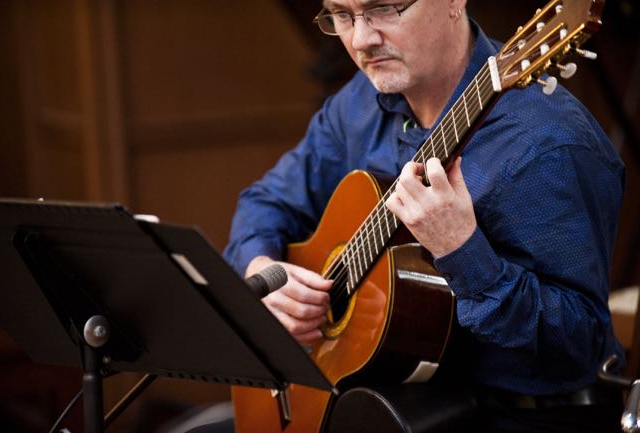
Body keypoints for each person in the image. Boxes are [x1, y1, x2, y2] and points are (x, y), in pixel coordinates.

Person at [223, 0, 626, 432]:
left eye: (384, 8)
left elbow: (578, 349)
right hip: (382, 405)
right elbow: (267, 202)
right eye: (342, 15)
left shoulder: (549, 145)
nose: (361, 39)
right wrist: (262, 271)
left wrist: (462, 251)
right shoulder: (361, 102)